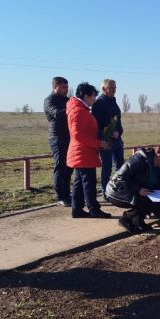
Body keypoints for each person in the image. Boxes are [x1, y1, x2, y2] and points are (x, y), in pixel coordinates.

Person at [105, 145, 160, 233]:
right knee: (147, 200)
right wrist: (138, 189)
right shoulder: (139, 160)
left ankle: (138, 221)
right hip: (117, 191)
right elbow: (120, 178)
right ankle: (126, 219)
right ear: (159, 156)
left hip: (137, 192)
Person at [66, 83, 111, 219]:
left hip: (83, 152)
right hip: (83, 153)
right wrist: (99, 143)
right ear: (86, 96)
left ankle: (77, 209)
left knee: (79, 183)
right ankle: (93, 208)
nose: (94, 99)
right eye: (93, 96)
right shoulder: (79, 111)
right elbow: (78, 135)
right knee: (89, 183)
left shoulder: (80, 109)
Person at [92, 79, 124, 196]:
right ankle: (106, 191)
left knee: (120, 166)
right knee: (107, 166)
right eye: (111, 88)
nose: (114, 90)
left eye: (115, 88)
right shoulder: (98, 103)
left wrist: (119, 132)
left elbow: (118, 121)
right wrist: (108, 134)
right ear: (104, 89)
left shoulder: (113, 102)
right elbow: (97, 124)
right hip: (106, 141)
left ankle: (119, 188)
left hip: (117, 140)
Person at [43, 76, 72, 206]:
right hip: (57, 138)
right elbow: (57, 114)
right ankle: (60, 196)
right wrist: (72, 110)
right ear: (55, 87)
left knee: (69, 167)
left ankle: (67, 193)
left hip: (70, 137)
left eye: (67, 87)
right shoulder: (49, 100)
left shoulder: (68, 100)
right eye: (63, 87)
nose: (66, 89)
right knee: (60, 166)